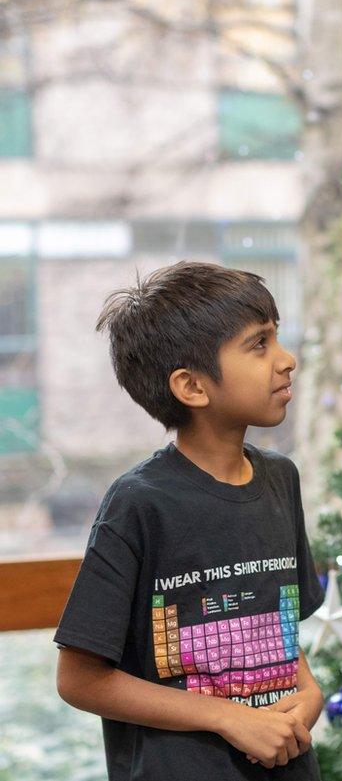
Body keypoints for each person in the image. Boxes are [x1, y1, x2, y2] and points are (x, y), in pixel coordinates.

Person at [55, 262, 325, 780]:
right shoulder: (138, 504)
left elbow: (279, 626)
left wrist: (307, 691)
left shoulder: (281, 479)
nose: (286, 361)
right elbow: (80, 679)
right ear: (192, 387)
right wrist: (227, 718)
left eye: (277, 338)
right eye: (259, 344)